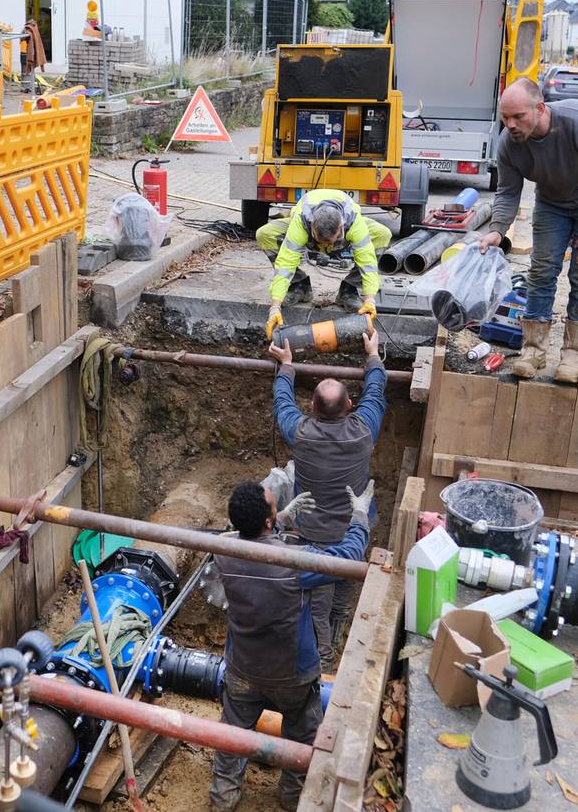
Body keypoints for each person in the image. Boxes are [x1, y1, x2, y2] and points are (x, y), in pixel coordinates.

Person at [209, 480, 372, 811]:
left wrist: (280, 518)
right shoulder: (294, 563)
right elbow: (347, 557)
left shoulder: (224, 551)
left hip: (242, 667)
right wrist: (359, 517)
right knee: (302, 738)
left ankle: (223, 796)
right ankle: (292, 797)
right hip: (292, 675)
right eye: (274, 506)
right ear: (268, 521)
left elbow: (243, 535)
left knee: (233, 736)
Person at [479, 79, 578, 383]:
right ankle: (533, 351)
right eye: (505, 118)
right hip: (552, 203)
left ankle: (572, 356)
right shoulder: (509, 143)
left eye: (518, 116)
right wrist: (498, 229)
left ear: (539, 108)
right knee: (542, 270)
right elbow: (509, 192)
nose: (510, 125)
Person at [268, 328, 387, 667]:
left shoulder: (300, 432)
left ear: (313, 409)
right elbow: (376, 392)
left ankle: (324, 649)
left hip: (314, 533)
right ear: (350, 406)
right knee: (348, 571)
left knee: (317, 595)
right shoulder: (364, 428)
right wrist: (373, 356)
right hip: (355, 522)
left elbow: (283, 403)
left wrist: (287, 366)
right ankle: (332, 641)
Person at [258, 189, 391, 341]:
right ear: (312, 226)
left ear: (341, 228)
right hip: (307, 223)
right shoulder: (301, 221)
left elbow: (368, 264)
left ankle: (349, 289)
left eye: (330, 241)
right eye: (321, 241)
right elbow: (285, 265)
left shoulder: (353, 222)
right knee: (265, 234)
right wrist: (275, 307)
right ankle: (299, 285)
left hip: (345, 226)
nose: (325, 246)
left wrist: (370, 300)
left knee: (382, 234)